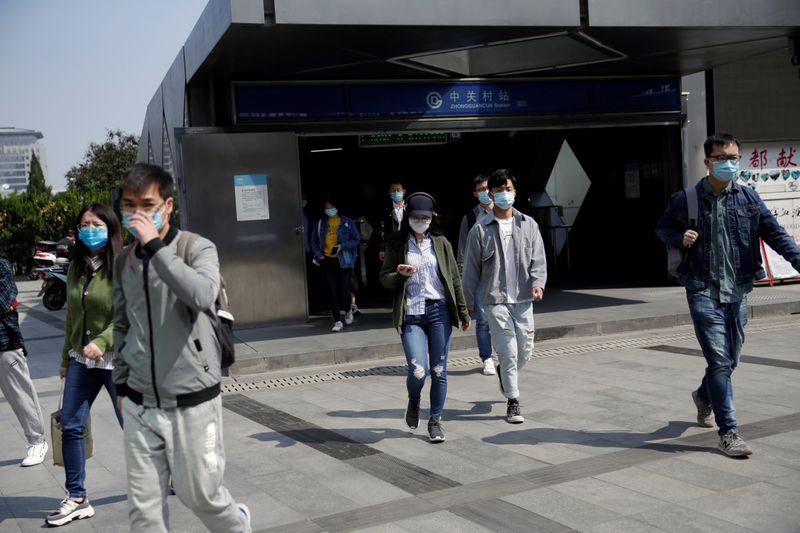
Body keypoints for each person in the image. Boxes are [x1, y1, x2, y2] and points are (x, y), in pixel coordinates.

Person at [112, 163, 250, 532]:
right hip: (141, 404)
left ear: (168, 206)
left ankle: (237, 524)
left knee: (200, 496)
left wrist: (156, 247)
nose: (137, 213)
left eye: (147, 204)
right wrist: (122, 385)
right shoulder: (123, 261)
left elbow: (202, 293)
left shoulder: (196, 247)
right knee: (144, 513)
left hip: (193, 400)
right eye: (129, 205)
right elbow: (123, 324)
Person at [656, 133, 800, 457]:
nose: (730, 164)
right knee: (720, 361)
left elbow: (776, 234)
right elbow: (662, 228)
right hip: (702, 289)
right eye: (723, 159)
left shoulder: (748, 199)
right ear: (708, 162)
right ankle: (729, 432)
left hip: (737, 291)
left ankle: (703, 397)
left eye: (734, 158)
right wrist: (681, 238)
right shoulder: (687, 199)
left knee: (730, 359)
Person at [46, 204, 124, 527]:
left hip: (118, 360)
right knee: (71, 424)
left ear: (109, 228)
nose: (89, 229)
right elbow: (71, 319)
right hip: (82, 359)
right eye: (83, 224)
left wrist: (103, 342)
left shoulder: (123, 266)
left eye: (95, 223)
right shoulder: (77, 268)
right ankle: (77, 497)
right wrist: (66, 358)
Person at [380, 192, 470, 443]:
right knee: (418, 371)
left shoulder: (441, 244)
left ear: (432, 218)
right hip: (412, 314)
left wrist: (462, 312)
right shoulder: (396, 245)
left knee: (439, 370)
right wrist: (400, 276)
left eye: (425, 217)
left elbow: (454, 280)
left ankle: (435, 421)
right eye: (416, 217)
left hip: (439, 310)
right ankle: (414, 399)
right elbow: (384, 278)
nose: (420, 220)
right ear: (408, 217)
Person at [462, 169, 547, 424]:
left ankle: (503, 373)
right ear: (491, 194)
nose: (504, 195)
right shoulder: (480, 229)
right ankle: (513, 400)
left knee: (525, 352)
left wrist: (538, 283)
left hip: (522, 298)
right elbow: (470, 269)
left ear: (515, 192)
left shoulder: (528, 224)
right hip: (495, 299)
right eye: (498, 191)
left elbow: (539, 259)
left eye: (507, 189)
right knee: (508, 352)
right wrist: (467, 301)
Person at [0, 253, 48, 467]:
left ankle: (37, 441)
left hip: (4, 343)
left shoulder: (2, 264)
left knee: (20, 393)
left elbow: (3, 302)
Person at [457, 174, 495, 376]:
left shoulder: (504, 213)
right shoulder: (470, 218)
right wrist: (465, 287)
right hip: (480, 277)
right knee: (483, 319)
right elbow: (462, 253)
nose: (485, 192)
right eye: (480, 189)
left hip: (502, 276)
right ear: (475, 194)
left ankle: (505, 353)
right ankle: (487, 357)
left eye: (487, 188)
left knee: (503, 317)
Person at [310, 197, 360, 332]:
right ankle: (337, 321)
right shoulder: (320, 223)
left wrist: (342, 246)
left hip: (344, 260)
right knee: (331, 291)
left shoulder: (347, 222)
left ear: (337, 207)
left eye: (331, 207)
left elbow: (356, 239)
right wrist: (319, 255)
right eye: (327, 208)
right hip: (326, 260)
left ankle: (348, 309)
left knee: (344, 291)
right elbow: (313, 240)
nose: (329, 210)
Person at [377, 181, 407, 262]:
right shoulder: (385, 211)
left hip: (408, 246)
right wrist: (382, 249)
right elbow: (381, 231)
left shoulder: (410, 208)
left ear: (404, 191)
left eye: (398, 190)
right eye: (393, 190)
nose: (396, 192)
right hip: (392, 248)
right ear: (389, 192)